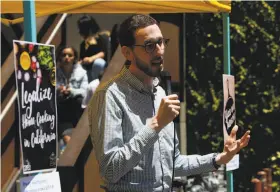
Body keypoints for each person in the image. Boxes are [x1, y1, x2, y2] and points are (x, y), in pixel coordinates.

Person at [88, 14, 250, 192]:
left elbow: (174, 164)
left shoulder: (161, 93)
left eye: (161, 42)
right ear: (127, 52)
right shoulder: (109, 95)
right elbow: (110, 170)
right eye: (149, 46)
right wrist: (156, 125)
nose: (159, 51)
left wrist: (219, 158)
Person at [56, 46, 88, 145]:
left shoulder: (82, 73)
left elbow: (84, 91)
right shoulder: (54, 73)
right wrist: (58, 90)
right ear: (60, 57)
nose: (66, 57)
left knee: (78, 99)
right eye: (64, 55)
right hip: (62, 109)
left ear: (74, 58)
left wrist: (72, 91)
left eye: (70, 55)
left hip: (75, 109)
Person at [77, 15, 109, 82]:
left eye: (81, 28)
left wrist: (91, 59)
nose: (79, 31)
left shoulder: (102, 37)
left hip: (99, 70)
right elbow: (81, 58)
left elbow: (104, 52)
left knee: (98, 62)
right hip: (87, 71)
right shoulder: (83, 44)